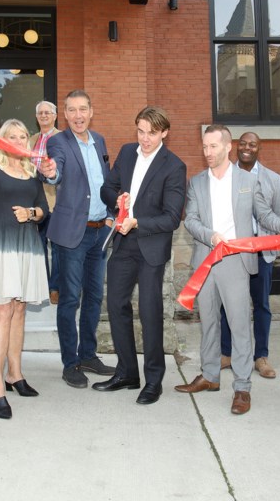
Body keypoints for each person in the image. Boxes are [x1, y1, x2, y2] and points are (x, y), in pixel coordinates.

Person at [180, 125, 280, 415]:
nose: (207, 152)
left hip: (236, 262)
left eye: (213, 146)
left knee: (239, 326)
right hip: (206, 262)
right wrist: (210, 235)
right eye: (204, 147)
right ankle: (209, 376)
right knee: (208, 322)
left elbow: (264, 214)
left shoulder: (247, 180)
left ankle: (242, 387)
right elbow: (190, 220)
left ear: (227, 146)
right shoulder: (196, 183)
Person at [93, 106, 186, 405]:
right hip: (122, 244)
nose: (145, 139)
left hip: (150, 248)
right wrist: (117, 198)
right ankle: (127, 373)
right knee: (117, 305)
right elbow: (106, 188)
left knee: (149, 312)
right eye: (141, 131)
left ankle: (154, 380)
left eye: (152, 133)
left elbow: (172, 217)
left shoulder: (174, 166)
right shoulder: (127, 151)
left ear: (164, 133)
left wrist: (139, 222)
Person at [0, 119, 51, 419]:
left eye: (21, 136)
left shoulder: (31, 172)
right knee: (1, 310)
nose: (17, 141)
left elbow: (43, 210)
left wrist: (30, 213)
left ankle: (14, 375)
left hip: (26, 244)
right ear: (2, 140)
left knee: (19, 309)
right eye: (10, 137)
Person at [39, 90, 115, 388]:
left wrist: (110, 215)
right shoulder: (58, 141)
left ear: (91, 111)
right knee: (70, 299)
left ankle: (88, 355)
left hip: (100, 232)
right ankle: (70, 363)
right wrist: (51, 172)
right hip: (72, 233)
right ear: (64, 114)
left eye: (83, 109)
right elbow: (54, 169)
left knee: (95, 297)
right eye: (71, 110)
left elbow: (106, 182)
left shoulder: (100, 141)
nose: (78, 115)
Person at [219, 131, 280, 379]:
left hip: (261, 254)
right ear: (236, 147)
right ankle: (226, 353)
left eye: (253, 145)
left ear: (259, 149)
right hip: (233, 254)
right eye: (243, 144)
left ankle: (261, 356)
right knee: (228, 306)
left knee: (261, 306)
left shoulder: (274, 180)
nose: (247, 148)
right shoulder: (223, 176)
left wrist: (275, 248)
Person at [28, 100, 61, 304]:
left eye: (48, 112)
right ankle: (41, 285)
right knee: (38, 245)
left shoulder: (64, 138)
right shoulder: (30, 140)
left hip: (56, 200)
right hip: (34, 200)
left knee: (56, 247)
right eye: (40, 113)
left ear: (55, 116)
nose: (44, 116)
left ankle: (55, 288)